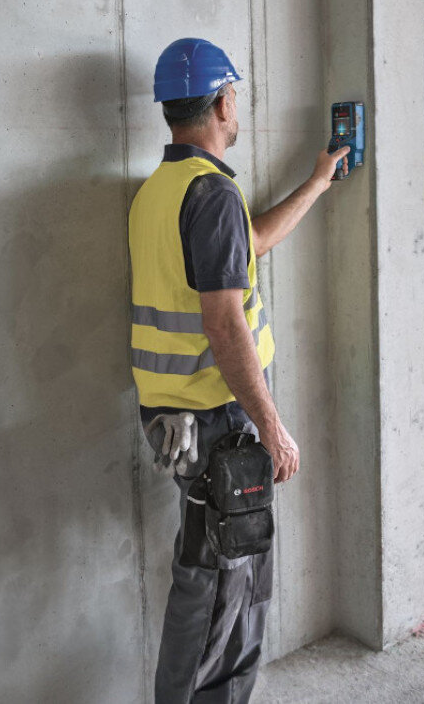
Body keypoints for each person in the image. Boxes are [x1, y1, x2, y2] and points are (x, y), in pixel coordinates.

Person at [128, 37, 348, 704]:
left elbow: (245, 247)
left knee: (205, 568)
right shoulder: (211, 194)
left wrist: (315, 183)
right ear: (224, 101)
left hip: (173, 417)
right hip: (219, 419)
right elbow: (224, 323)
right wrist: (273, 428)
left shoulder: (160, 192)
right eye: (238, 97)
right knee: (229, 586)